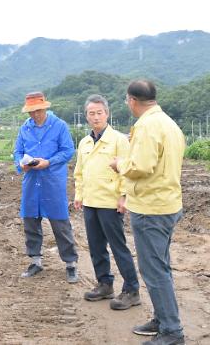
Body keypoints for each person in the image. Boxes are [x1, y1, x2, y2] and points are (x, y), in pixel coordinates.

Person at [110, 80, 186, 345]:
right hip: (167, 204)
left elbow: (141, 166)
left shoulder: (147, 126)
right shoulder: (168, 123)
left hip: (152, 209)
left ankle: (172, 332)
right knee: (160, 266)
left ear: (132, 100)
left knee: (154, 271)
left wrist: (120, 163)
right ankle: (162, 318)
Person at [74, 94, 141, 310]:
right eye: (91, 113)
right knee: (95, 246)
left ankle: (131, 289)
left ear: (107, 114)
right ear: (86, 116)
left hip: (111, 202)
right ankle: (104, 284)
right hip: (90, 201)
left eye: (99, 113)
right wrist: (79, 195)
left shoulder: (119, 140)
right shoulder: (84, 142)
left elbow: (127, 170)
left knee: (118, 246)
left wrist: (124, 196)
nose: (95, 117)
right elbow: (79, 172)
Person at [13, 91, 78, 283]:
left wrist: (48, 162)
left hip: (53, 182)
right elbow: (17, 151)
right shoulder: (25, 128)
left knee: (60, 224)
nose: (34, 115)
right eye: (31, 112)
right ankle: (36, 261)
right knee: (31, 221)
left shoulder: (59, 126)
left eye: (37, 111)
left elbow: (67, 151)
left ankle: (70, 264)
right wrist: (21, 164)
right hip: (32, 183)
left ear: (44, 108)